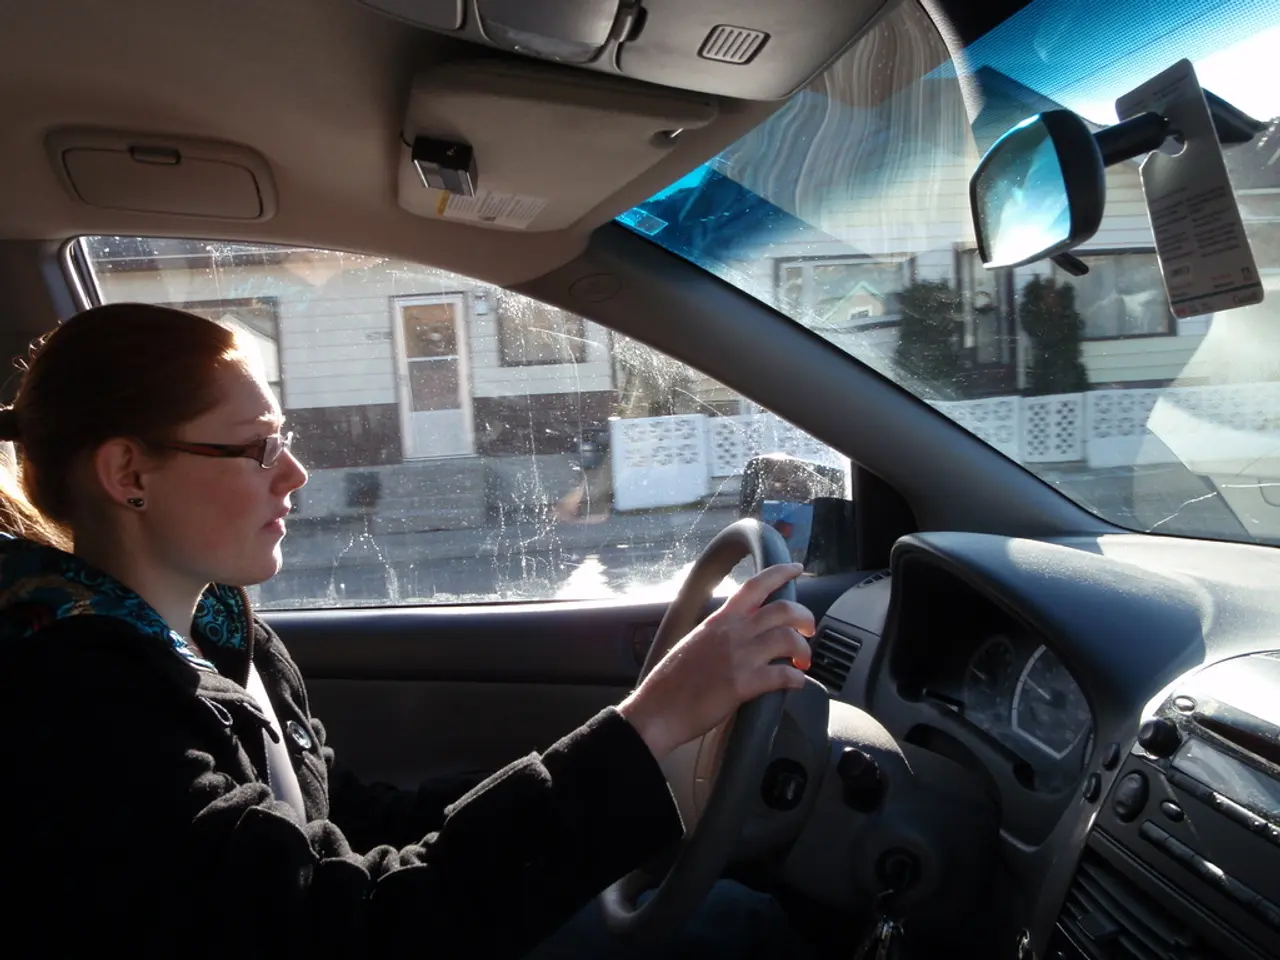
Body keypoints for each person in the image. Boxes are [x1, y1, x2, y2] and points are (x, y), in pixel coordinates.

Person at [0, 303, 818, 959]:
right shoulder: (78, 709)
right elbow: (346, 928)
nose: (294, 473)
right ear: (129, 474)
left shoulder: (220, 636)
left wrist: (626, 749)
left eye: (283, 439)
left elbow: (349, 822)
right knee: (745, 931)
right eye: (256, 449)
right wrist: (653, 724)